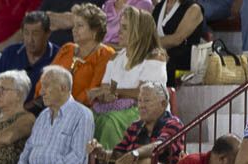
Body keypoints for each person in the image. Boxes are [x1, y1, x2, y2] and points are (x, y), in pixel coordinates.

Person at [0, 65, 92, 164]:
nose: (41, 92)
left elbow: (78, 159)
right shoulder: (43, 115)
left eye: (46, 86)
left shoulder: (82, 115)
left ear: (63, 88)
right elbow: (29, 147)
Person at [85, 6, 165, 152]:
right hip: (115, 107)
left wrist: (116, 91)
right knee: (85, 118)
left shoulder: (154, 57)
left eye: (125, 28)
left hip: (143, 109)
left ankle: (110, 162)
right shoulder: (115, 58)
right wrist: (102, 95)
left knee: (109, 122)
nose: (118, 32)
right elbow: (106, 88)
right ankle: (87, 162)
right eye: (120, 26)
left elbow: (145, 93)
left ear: (139, 32)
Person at [45, 3, 113, 109]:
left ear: (95, 30)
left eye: (80, 25)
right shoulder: (67, 48)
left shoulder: (105, 54)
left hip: (76, 109)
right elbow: (46, 78)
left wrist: (63, 104)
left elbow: (92, 93)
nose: (74, 30)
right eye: (74, 25)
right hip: (47, 103)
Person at [0, 10, 56, 110]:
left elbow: (53, 95)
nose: (30, 39)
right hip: (4, 112)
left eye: (35, 34)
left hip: (39, 114)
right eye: (26, 33)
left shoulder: (58, 56)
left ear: (48, 34)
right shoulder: (10, 52)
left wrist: (20, 112)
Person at [150, 0, 205, 84]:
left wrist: (147, 44)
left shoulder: (194, 8)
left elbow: (176, 39)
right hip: (160, 57)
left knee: (159, 66)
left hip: (184, 66)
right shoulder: (159, 7)